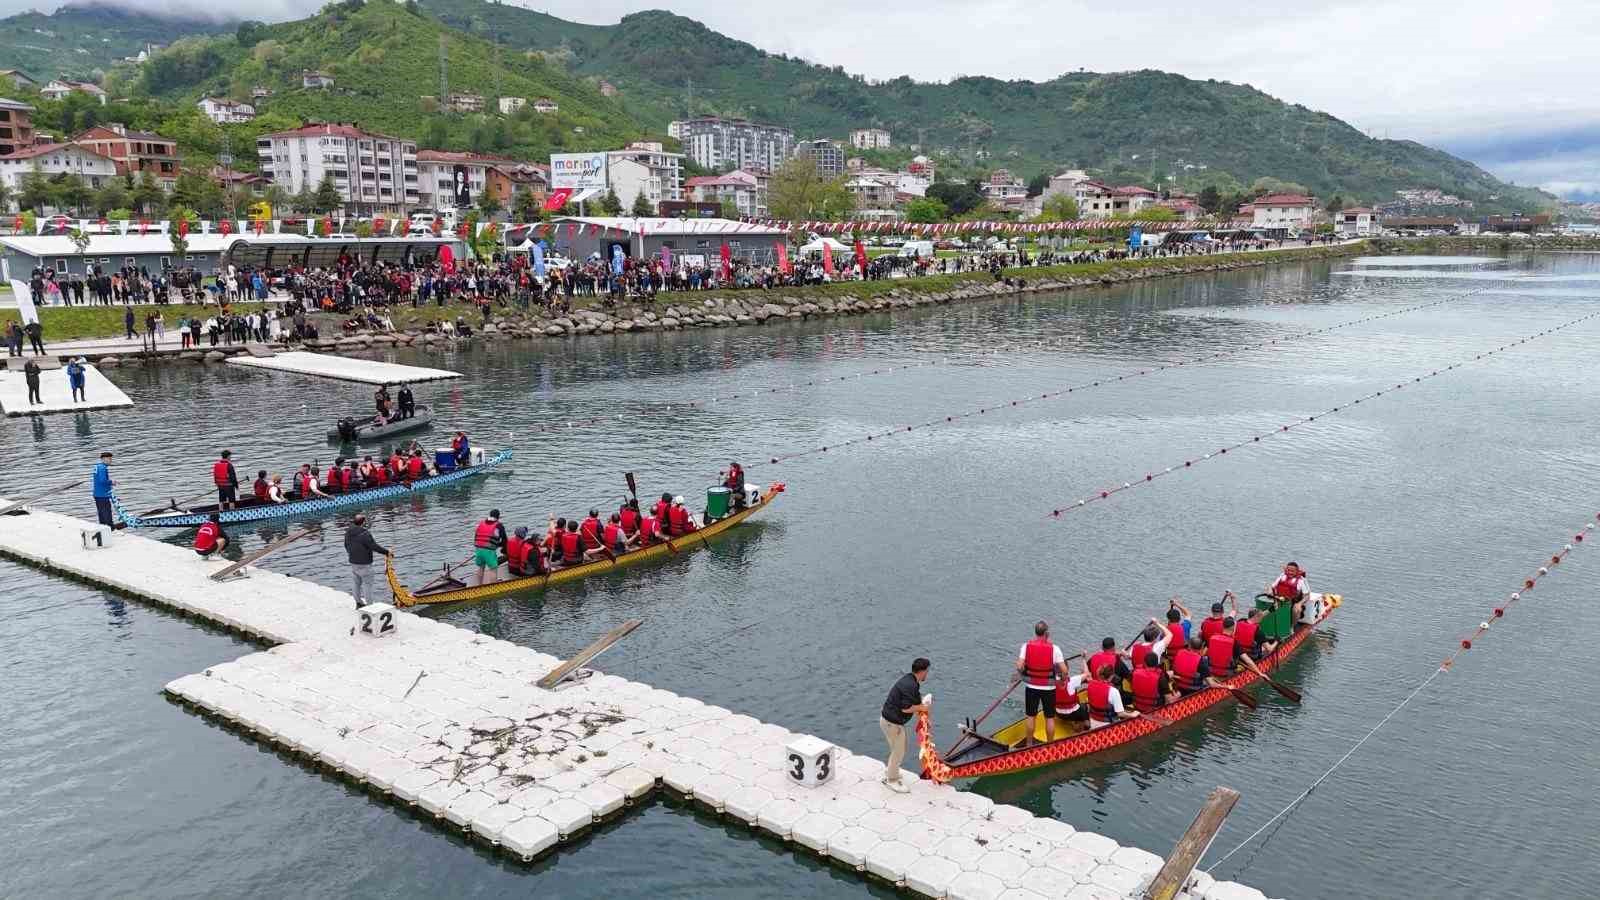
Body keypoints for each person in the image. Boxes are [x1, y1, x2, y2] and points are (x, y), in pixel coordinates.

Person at [879, 657, 931, 794]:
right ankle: (892, 780)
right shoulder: (911, 685)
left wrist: (920, 703)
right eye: (927, 671)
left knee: (895, 749)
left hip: (885, 720)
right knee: (899, 751)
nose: (927, 674)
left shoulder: (909, 680)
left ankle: (891, 770)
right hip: (893, 724)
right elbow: (906, 708)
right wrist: (923, 707)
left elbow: (913, 698)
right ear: (923, 671)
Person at [1016, 621, 1069, 746]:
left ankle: (1029, 744)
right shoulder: (1055, 649)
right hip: (1049, 688)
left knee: (1031, 716)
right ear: (1047, 633)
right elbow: (1064, 670)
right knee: (1049, 717)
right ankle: (1050, 745)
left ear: (1035, 632)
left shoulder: (1026, 646)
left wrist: (1023, 672)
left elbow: (1019, 666)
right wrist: (1062, 680)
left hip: (1031, 687)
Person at [344, 513, 390, 609]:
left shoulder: (348, 531)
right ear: (363, 522)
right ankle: (370, 607)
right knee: (367, 585)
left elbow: (346, 545)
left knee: (356, 583)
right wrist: (387, 552)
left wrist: (351, 554)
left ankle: (359, 603)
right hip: (365, 564)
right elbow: (374, 546)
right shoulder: (365, 533)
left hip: (353, 562)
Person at [473, 509, 506, 585]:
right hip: (489, 551)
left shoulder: (481, 523)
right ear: (498, 517)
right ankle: (492, 587)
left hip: (478, 549)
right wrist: (498, 546)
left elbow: (476, 537)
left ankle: (479, 585)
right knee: (493, 569)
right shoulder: (499, 525)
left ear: (490, 515)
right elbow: (504, 540)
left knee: (481, 567)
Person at [91, 451, 115, 528]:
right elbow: (102, 481)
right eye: (110, 459)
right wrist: (112, 482)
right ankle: (110, 529)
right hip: (103, 495)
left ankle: (103, 528)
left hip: (97, 494)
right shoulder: (103, 468)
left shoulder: (97, 466)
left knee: (101, 513)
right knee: (107, 513)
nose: (111, 461)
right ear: (104, 459)